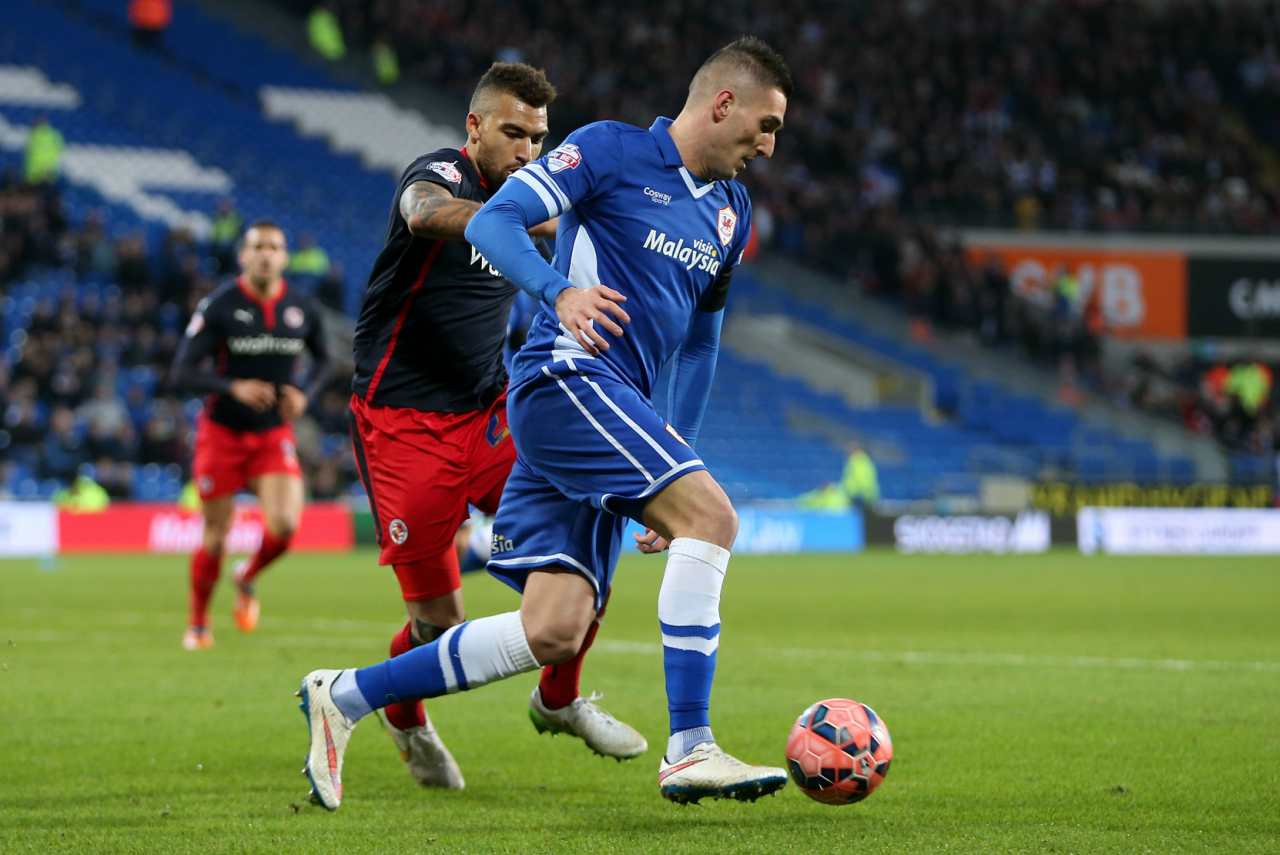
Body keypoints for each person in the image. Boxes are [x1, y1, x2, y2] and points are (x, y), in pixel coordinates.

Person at [297, 36, 792, 810]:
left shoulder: (731, 211)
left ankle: (345, 695)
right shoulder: (608, 152)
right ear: (722, 103)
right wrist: (560, 291)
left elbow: (701, 342)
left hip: (594, 404)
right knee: (714, 518)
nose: (768, 146)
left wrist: (676, 451)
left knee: (555, 626)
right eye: (765, 125)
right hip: (564, 382)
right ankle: (692, 745)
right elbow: (493, 223)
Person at [345, 62, 645, 792]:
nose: (526, 152)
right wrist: (500, 219)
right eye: (513, 132)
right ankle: (405, 713)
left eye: (538, 139)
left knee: (587, 524)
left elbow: (583, 215)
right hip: (401, 424)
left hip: (490, 412)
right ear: (475, 127)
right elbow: (421, 210)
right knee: (438, 626)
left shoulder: (535, 195)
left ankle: (561, 697)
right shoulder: (441, 171)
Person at [169, 222, 331, 650]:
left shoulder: (301, 307)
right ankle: (199, 623)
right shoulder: (220, 306)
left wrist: (304, 394)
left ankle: (247, 575)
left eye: (274, 247)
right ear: (243, 256)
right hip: (221, 433)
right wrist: (231, 387)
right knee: (216, 536)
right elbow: (182, 370)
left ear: (284, 257)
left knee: (284, 526)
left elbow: (326, 361)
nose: (265, 254)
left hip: (271, 433)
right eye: (257, 247)